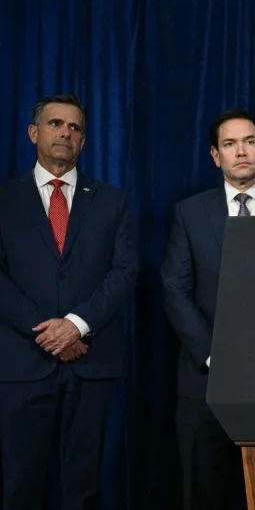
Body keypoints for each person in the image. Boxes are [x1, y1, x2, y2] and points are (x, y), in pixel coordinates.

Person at [0, 94, 138, 509]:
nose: (65, 133)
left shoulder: (114, 201)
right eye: (56, 124)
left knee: (84, 490)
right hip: (22, 364)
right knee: (19, 487)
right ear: (33, 133)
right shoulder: (4, 199)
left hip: (89, 363)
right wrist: (50, 333)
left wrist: (76, 325)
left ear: (84, 141)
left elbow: (125, 272)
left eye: (75, 128)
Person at [162, 109, 255, 509]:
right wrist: (213, 354)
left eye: (250, 142)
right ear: (215, 156)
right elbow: (174, 288)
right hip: (205, 382)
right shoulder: (189, 212)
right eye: (230, 144)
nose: (242, 152)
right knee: (204, 491)